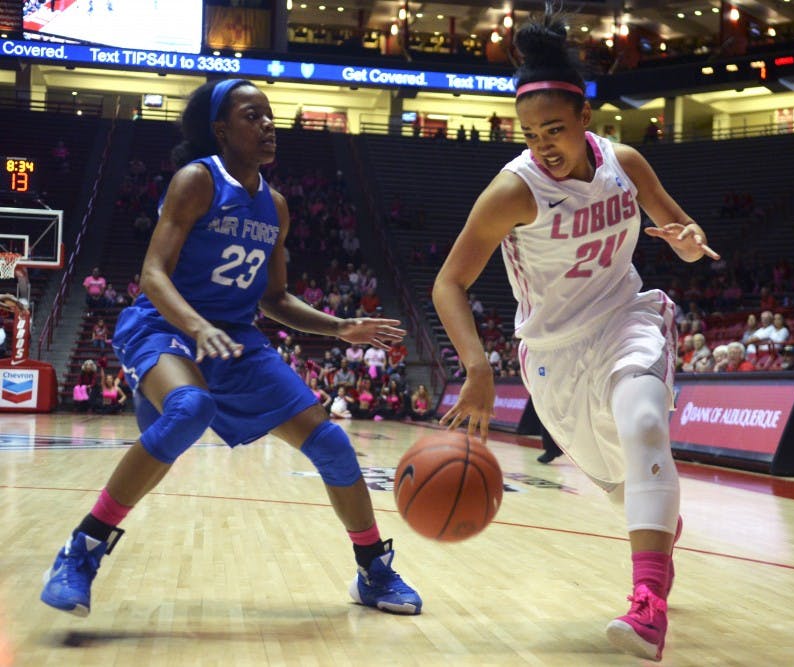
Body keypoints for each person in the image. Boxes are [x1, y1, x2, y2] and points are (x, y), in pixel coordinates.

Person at [39, 79, 421, 619]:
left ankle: (373, 572)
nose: (267, 125)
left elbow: (276, 298)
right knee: (190, 408)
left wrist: (340, 327)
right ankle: (81, 550)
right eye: (251, 115)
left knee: (332, 445)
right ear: (220, 129)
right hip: (165, 325)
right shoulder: (197, 181)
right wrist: (197, 327)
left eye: (270, 115)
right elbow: (152, 274)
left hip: (236, 338)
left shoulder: (277, 207)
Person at [431, 15, 716, 661]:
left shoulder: (626, 163)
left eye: (555, 130)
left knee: (646, 423)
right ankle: (654, 518)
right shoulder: (513, 189)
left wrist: (690, 240)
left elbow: (682, 231)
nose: (544, 146)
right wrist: (477, 368)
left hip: (625, 318)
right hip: (553, 355)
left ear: (585, 114)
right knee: (624, 489)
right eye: (530, 134)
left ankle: (648, 606)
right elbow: (448, 283)